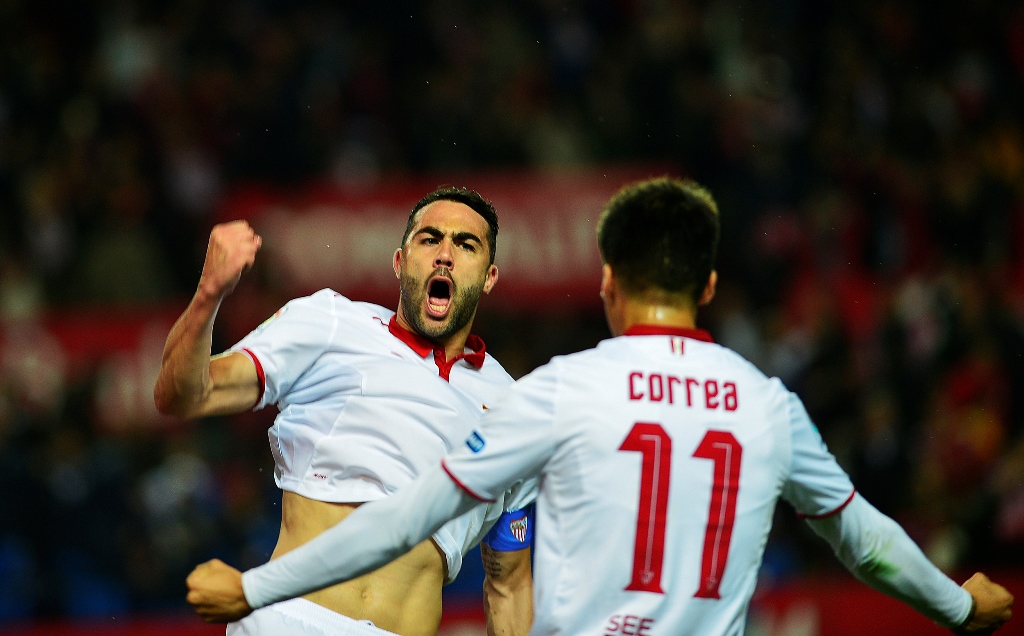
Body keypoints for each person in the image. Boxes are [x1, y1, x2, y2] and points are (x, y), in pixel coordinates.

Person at [183, 177, 1014, 635]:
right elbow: (863, 542)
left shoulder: (557, 392)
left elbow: (410, 519)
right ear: (711, 287)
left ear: (609, 285)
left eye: (465, 244)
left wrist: (256, 590)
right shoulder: (768, 407)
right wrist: (958, 605)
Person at [155, 186, 535, 636]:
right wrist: (208, 294)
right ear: (399, 261)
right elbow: (181, 396)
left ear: (489, 276)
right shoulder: (330, 322)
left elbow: (509, 586)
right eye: (429, 239)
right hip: (294, 622)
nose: (445, 255)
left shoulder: (516, 411)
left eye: (465, 244)